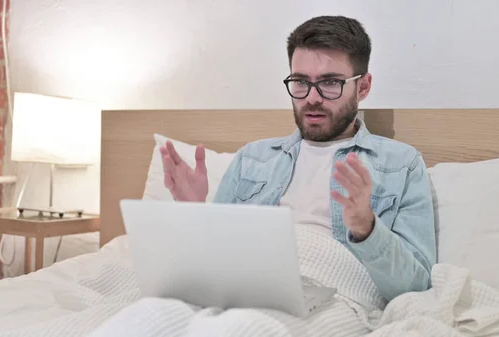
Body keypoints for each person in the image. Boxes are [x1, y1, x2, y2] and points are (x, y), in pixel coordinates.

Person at [159, 15, 436, 303]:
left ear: (363, 87)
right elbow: (213, 264)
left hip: (335, 299)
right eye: (300, 82)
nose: (311, 98)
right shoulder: (252, 159)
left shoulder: (401, 164)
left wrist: (367, 229)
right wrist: (192, 212)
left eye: (330, 83)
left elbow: (416, 288)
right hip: (247, 291)